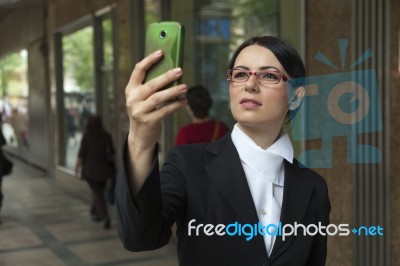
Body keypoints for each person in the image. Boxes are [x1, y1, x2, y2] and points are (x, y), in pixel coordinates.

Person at [115, 36, 330, 265]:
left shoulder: (313, 187)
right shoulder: (188, 164)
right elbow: (139, 237)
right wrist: (140, 137)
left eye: (268, 75)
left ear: (296, 96)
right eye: (240, 74)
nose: (250, 84)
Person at [75, 115, 115, 229]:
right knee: (98, 191)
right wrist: (115, 169)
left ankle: (104, 216)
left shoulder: (87, 136)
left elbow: (81, 154)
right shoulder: (107, 136)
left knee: (98, 193)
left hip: (91, 171)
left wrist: (76, 169)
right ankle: (94, 211)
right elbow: (112, 153)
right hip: (105, 170)